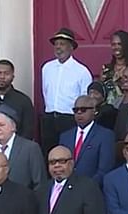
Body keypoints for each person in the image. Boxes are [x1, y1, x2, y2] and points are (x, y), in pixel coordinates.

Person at [41, 27, 93, 159]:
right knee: (48, 154)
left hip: (69, 119)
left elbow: (85, 99)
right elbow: (45, 93)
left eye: (62, 44)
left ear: (71, 47)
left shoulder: (81, 71)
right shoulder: (47, 68)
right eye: (56, 44)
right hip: (49, 119)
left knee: (68, 154)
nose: (58, 47)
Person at [0, 105, 47, 191]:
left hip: (23, 202)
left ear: (13, 127)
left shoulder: (30, 148)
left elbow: (40, 183)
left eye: (1, 125)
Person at [58, 95, 115, 186]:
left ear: (94, 111)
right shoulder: (65, 137)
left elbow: (105, 169)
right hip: (67, 190)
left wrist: (87, 188)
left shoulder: (105, 135)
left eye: (83, 110)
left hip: (92, 190)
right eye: (76, 110)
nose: (79, 113)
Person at [100, 30, 128, 108]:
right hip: (108, 111)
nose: (116, 47)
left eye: (120, 44)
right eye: (113, 44)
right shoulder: (106, 69)